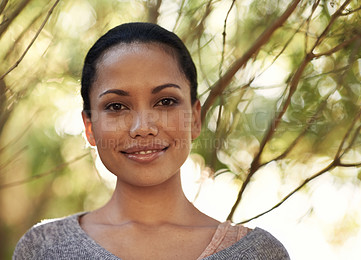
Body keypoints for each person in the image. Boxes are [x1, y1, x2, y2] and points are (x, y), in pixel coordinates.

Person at [13, 22, 290, 260]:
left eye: (165, 101)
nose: (142, 128)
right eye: (116, 107)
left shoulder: (258, 253)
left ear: (194, 118)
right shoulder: (44, 248)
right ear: (90, 127)